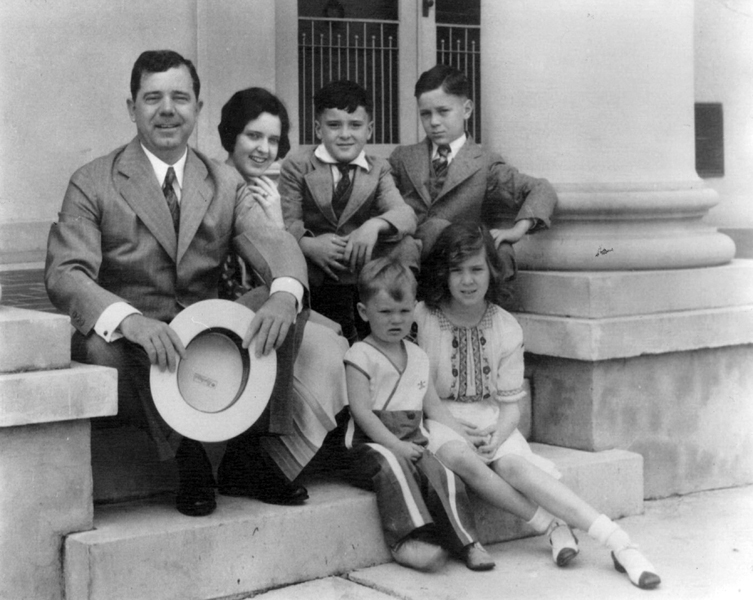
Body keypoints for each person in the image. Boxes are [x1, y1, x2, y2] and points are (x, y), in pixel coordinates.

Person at [45, 50, 331, 518]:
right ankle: (187, 455)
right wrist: (130, 320)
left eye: (180, 97)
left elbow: (271, 241)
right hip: (136, 343)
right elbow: (65, 273)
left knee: (286, 298)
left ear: (198, 107)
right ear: (131, 107)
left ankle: (246, 453)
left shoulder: (223, 181)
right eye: (152, 97)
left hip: (202, 334)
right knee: (98, 346)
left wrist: (283, 292)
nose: (167, 109)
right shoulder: (93, 180)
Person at [414, 223, 661, 590]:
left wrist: (497, 437)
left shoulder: (505, 326)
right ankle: (550, 525)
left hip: (489, 418)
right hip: (439, 418)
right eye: (456, 270)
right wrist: (455, 427)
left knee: (513, 464)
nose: (467, 280)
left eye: (476, 269)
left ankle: (618, 541)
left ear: (492, 271)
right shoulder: (423, 317)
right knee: (460, 457)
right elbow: (420, 391)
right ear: (442, 273)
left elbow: (511, 405)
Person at [216, 85, 350, 478]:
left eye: (273, 140)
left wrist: (276, 223)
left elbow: (286, 270)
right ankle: (271, 460)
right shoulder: (217, 183)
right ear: (232, 136)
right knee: (327, 344)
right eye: (253, 136)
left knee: (338, 337)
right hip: (224, 307)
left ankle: (288, 455)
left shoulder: (266, 191)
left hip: (266, 303)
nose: (263, 149)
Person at [343, 258, 494, 572]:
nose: (396, 320)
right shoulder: (360, 355)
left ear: (414, 309)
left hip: (412, 441)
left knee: (442, 471)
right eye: (385, 312)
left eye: (404, 311)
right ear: (363, 312)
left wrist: (465, 437)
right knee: (393, 465)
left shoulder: (418, 356)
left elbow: (434, 408)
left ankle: (466, 541)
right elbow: (361, 412)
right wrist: (394, 446)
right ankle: (407, 539)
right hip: (369, 446)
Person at [279, 79, 419, 344]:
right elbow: (289, 221)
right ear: (319, 129)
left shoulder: (378, 169)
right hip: (318, 266)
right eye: (334, 125)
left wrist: (373, 226)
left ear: (370, 130)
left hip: (357, 264)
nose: (345, 134)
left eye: (355, 125)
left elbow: (404, 213)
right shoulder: (297, 165)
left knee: (407, 245)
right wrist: (308, 244)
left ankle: (401, 323)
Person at [389, 64, 557, 283]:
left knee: (501, 252)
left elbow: (541, 189)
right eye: (425, 114)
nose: (434, 122)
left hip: (458, 262)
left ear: (467, 109)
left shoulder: (484, 163)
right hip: (411, 264)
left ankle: (485, 313)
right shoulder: (403, 157)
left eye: (443, 111)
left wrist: (517, 230)